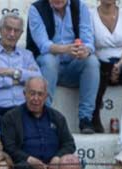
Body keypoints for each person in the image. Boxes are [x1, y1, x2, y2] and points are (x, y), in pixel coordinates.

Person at [0, 76, 75, 169]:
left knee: (72, 167)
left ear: (46, 96)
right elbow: (8, 147)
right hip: (27, 168)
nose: (36, 98)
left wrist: (57, 158)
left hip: (53, 168)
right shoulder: (11, 117)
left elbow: (69, 143)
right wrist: (29, 159)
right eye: (32, 93)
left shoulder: (57, 117)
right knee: (21, 168)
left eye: (40, 94)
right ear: (24, 94)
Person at [27, 0, 101, 133]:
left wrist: (85, 50)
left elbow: (89, 41)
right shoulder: (36, 8)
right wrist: (65, 49)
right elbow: (43, 45)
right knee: (50, 60)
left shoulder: (81, 7)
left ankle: (86, 118)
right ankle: (43, 113)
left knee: (92, 61)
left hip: (73, 66)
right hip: (46, 67)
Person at [0, 14, 41, 117]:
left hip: (22, 108)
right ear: (0, 30)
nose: (12, 34)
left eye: (16, 31)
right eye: (8, 29)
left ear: (21, 34)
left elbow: (38, 78)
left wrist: (11, 72)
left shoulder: (27, 55)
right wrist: (18, 79)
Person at [92, 0, 122, 131]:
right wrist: (110, 68)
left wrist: (119, 65)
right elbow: (89, 46)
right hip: (100, 62)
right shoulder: (90, 15)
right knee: (96, 67)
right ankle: (94, 116)